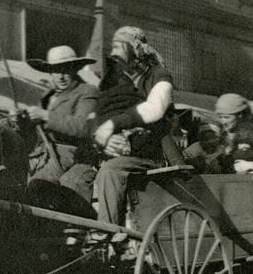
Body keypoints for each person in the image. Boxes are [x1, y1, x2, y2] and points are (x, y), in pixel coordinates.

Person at [91, 26, 179, 230]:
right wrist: (105, 141)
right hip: (119, 152)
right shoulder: (113, 81)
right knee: (78, 174)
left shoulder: (160, 76)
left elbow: (154, 109)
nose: (113, 55)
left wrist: (112, 124)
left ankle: (107, 233)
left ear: (135, 50)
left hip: (151, 152)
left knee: (110, 171)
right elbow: (96, 115)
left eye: (118, 47)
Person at [22, 45, 99, 210]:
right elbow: (36, 131)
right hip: (40, 154)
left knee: (37, 185)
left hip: (69, 154)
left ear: (75, 70)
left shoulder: (87, 91)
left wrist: (45, 115)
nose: (61, 76)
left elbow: (83, 126)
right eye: (56, 71)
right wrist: (22, 121)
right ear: (50, 72)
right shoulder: (47, 96)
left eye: (66, 70)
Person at [220, 121, 253, 195]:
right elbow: (227, 161)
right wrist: (219, 161)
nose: (244, 146)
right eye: (241, 142)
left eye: (248, 143)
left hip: (252, 185)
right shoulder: (235, 153)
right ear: (237, 143)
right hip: (237, 184)